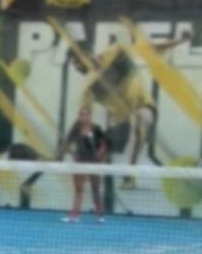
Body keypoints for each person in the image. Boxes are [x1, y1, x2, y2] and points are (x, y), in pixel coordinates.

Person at [69, 29, 191, 186]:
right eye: (74, 65)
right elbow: (85, 118)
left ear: (88, 54)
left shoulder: (118, 51)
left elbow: (149, 49)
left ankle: (129, 175)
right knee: (104, 149)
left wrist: (179, 40)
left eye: (77, 61)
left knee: (141, 118)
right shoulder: (89, 87)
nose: (77, 67)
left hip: (143, 106)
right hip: (119, 123)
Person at [56, 106, 109, 222]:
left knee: (95, 189)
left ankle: (100, 215)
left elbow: (104, 144)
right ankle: (74, 216)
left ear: (90, 116)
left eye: (85, 114)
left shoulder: (96, 128)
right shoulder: (75, 128)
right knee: (79, 190)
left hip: (95, 162)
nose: (83, 117)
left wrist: (99, 154)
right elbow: (66, 143)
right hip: (80, 162)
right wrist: (71, 154)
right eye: (81, 114)